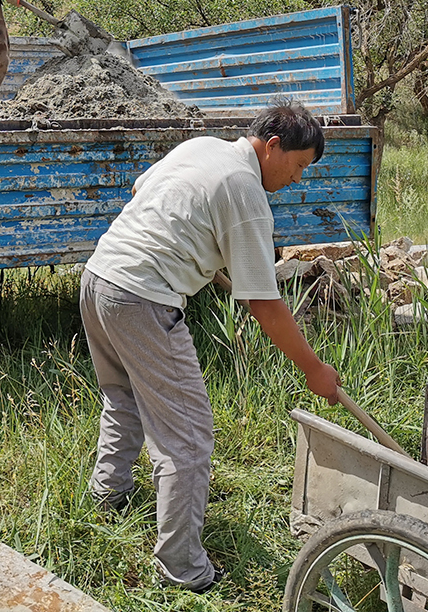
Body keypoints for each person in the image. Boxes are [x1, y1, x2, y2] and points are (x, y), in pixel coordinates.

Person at [79, 103, 342, 593]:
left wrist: (198, 249)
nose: (299, 177)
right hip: (141, 298)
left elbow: (143, 190)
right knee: (190, 439)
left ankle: (107, 496)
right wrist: (313, 369)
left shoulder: (202, 148)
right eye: (300, 165)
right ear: (273, 145)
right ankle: (183, 568)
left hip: (99, 277)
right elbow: (266, 306)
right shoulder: (245, 192)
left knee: (124, 398)